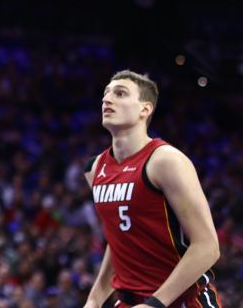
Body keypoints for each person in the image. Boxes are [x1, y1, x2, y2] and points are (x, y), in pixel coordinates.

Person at [82, 70, 221, 308]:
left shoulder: (165, 161)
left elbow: (208, 246)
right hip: (129, 300)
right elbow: (118, 240)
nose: (107, 99)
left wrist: (155, 304)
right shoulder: (95, 169)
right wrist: (94, 299)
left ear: (145, 109)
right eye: (105, 94)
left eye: (120, 93)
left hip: (182, 300)